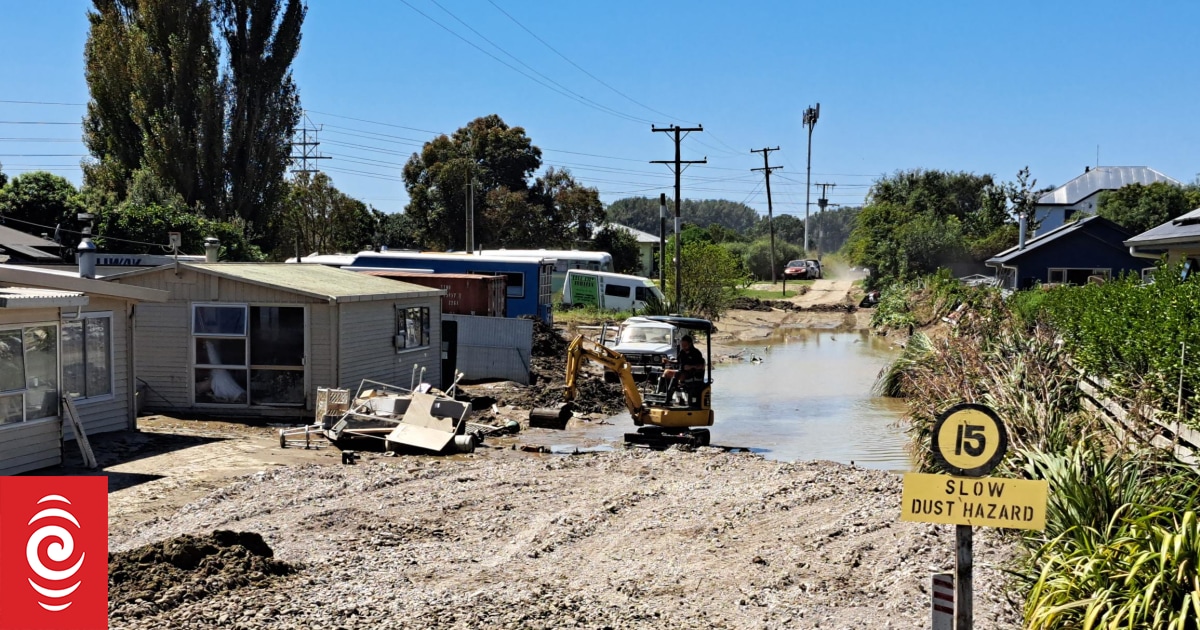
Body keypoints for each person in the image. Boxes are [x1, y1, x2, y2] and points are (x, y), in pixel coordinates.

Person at [660, 334, 705, 407]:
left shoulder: (696, 353)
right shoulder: (682, 352)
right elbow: (678, 361)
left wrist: (691, 366)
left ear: (690, 344)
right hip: (681, 372)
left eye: (685, 345)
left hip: (691, 374)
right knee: (666, 372)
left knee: (676, 375)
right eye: (682, 345)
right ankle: (661, 392)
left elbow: (701, 366)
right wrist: (668, 361)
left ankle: (668, 398)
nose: (683, 347)